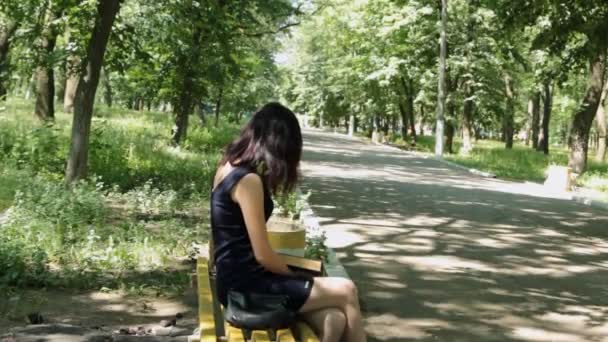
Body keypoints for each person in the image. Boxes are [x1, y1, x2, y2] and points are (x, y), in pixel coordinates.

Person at [210, 103, 367, 342]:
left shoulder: (227, 167)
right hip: (247, 288)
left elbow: (218, 231)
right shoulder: (248, 180)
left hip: (236, 281)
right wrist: (295, 278)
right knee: (347, 289)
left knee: (334, 316)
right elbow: (263, 255)